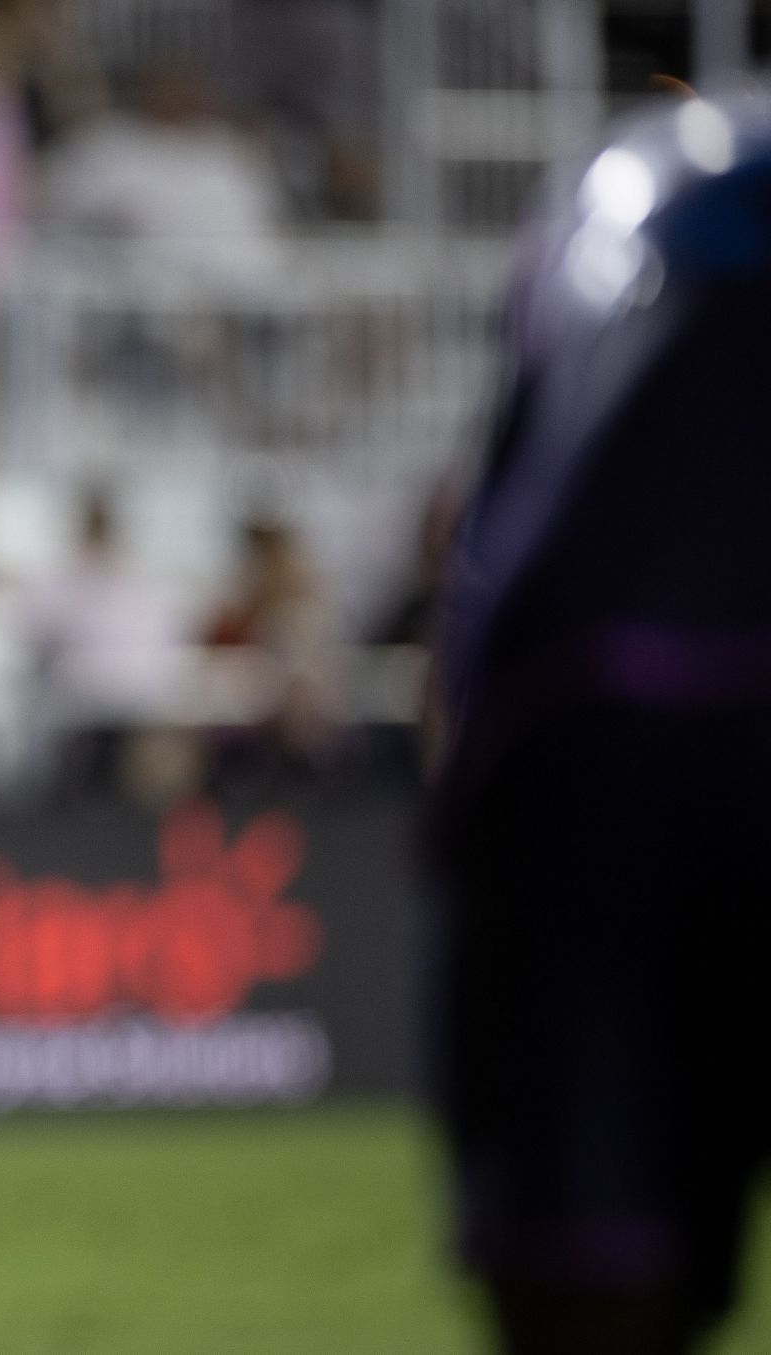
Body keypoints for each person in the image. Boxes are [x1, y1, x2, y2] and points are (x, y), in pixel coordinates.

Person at [429, 89, 771, 1355]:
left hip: (577, 730)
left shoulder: (614, 182)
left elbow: (491, 549)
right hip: (607, 718)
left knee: (587, 1272)